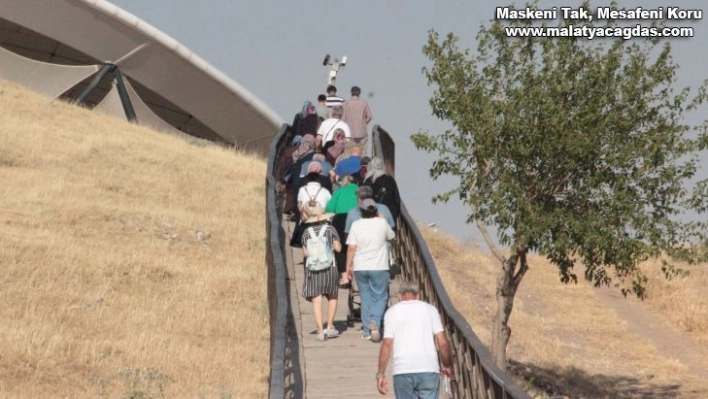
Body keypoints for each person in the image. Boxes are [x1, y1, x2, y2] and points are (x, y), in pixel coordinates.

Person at [376, 281, 453, 398]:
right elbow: (443, 343)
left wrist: (381, 374)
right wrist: (447, 365)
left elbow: (387, 344)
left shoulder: (391, 313)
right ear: (418, 295)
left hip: (402, 370)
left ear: (399, 296)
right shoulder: (430, 310)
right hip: (429, 369)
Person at [346, 198, 395, 342]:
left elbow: (351, 247)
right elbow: (392, 237)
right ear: (376, 210)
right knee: (380, 297)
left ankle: (367, 331)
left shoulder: (356, 225)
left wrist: (348, 266)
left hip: (360, 266)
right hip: (379, 266)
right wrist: (383, 220)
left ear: (361, 211)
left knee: (365, 297)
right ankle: (375, 321)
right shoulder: (382, 223)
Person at [300, 203, 341, 341]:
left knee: (316, 301)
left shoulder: (306, 233)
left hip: (313, 269)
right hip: (329, 267)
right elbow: (338, 248)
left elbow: (305, 254)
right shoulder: (330, 229)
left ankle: (319, 330)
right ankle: (329, 326)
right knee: (332, 297)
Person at [325, 173, 360, 287]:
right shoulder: (359, 190)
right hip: (357, 217)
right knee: (356, 246)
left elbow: (329, 207)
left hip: (340, 219)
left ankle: (345, 277)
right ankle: (354, 274)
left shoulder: (339, 191)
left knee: (340, 249)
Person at [362, 157, 401, 222]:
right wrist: (395, 213)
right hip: (389, 213)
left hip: (373, 215)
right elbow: (396, 198)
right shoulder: (390, 179)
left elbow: (363, 198)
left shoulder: (368, 180)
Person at [342, 86, 373, 155]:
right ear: (359, 93)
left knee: (349, 152)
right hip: (362, 131)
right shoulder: (364, 103)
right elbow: (370, 116)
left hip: (349, 132)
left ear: (351, 93)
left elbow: (343, 119)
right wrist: (364, 123)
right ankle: (363, 164)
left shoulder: (346, 103)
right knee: (363, 151)